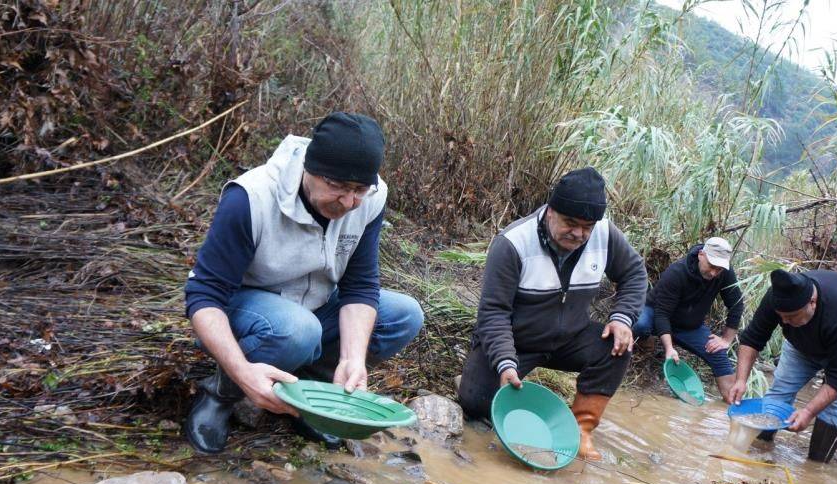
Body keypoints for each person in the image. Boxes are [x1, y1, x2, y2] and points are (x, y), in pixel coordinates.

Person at [183, 112, 424, 454]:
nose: (348, 202)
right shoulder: (251, 198)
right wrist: (242, 372)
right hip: (250, 309)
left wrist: (353, 358)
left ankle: (309, 392)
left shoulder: (370, 200)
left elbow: (360, 285)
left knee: (404, 315)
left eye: (358, 189)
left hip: (315, 304)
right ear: (309, 169)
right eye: (337, 186)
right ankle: (221, 393)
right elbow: (204, 296)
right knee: (299, 330)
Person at [458, 167, 648, 461]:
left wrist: (622, 318)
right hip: (517, 341)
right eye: (570, 223)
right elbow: (494, 314)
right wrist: (506, 364)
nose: (579, 233)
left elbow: (635, 273)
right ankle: (487, 378)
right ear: (550, 211)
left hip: (570, 337)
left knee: (617, 347)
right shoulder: (512, 243)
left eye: (587, 226)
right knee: (476, 402)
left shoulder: (604, 235)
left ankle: (580, 430)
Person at [728, 269, 837, 462]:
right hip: (801, 343)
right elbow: (752, 339)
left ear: (812, 302)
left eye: (791, 316)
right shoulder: (777, 297)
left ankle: (816, 467)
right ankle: (759, 452)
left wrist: (808, 412)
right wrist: (741, 380)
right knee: (780, 391)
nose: (784, 322)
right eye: (781, 316)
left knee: (836, 406)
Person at [631, 237, 744, 401]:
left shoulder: (724, 273)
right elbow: (662, 314)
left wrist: (726, 339)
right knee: (640, 325)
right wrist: (669, 348)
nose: (714, 273)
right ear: (701, 255)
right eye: (711, 266)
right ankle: (645, 345)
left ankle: (734, 403)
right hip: (656, 315)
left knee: (718, 354)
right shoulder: (677, 272)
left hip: (689, 327)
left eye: (718, 269)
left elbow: (736, 305)